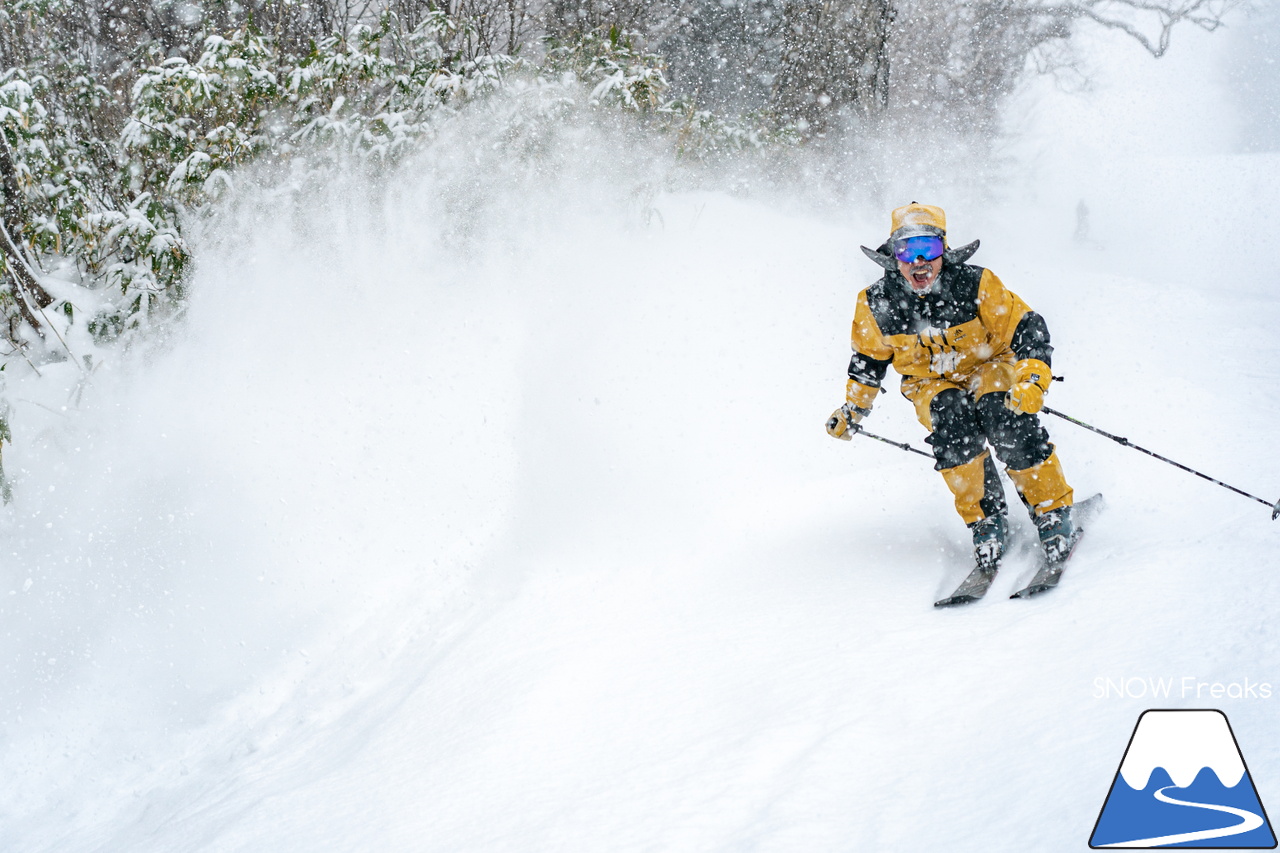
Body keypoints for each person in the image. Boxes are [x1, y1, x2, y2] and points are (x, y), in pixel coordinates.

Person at [825, 202, 1076, 570]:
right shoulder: (876, 304)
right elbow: (868, 362)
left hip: (990, 366)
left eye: (929, 247)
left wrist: (1033, 379)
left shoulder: (977, 283)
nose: (919, 261)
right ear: (892, 255)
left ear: (945, 249)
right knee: (952, 424)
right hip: (929, 383)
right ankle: (986, 519)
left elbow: (1027, 327)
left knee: (1004, 415)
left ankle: (1052, 510)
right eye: (908, 250)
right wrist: (853, 409)